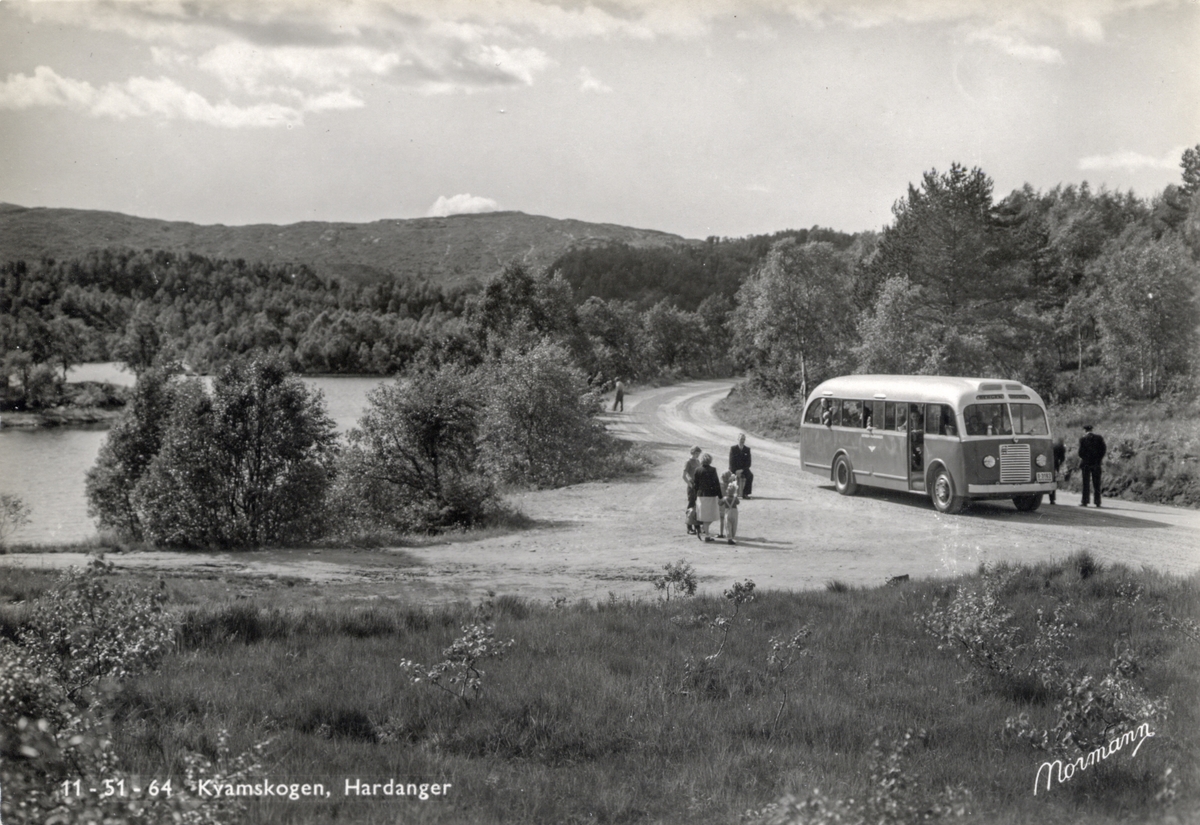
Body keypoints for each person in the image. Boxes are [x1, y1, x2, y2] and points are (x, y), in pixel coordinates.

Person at [693, 453, 723, 542]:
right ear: (710, 460)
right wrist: (720, 496)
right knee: (713, 515)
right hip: (711, 495)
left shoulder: (697, 470)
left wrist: (695, 497)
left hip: (701, 495)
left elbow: (696, 485)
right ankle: (706, 534)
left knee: (705, 516)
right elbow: (716, 483)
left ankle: (704, 531)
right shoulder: (713, 470)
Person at [1078, 424, 1107, 507]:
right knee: (1097, 483)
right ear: (1092, 430)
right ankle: (1097, 502)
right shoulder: (1099, 438)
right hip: (1096, 464)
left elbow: (1080, 453)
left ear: (1085, 430)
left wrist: (1085, 458)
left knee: (1086, 483)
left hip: (1086, 464)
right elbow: (1103, 450)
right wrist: (1099, 459)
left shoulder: (1083, 439)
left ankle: (1085, 501)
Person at [683, 446, 702, 533]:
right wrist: (690, 485)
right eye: (696, 453)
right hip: (692, 486)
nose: (698, 455)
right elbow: (684, 476)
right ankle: (689, 527)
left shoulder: (698, 461)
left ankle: (697, 526)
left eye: (698, 453)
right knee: (691, 505)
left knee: (697, 505)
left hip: (698, 485)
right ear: (693, 452)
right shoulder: (688, 462)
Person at [729, 433, 754, 498]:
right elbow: (731, 462)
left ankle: (745, 493)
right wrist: (735, 471)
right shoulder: (733, 448)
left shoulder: (747, 449)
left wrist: (742, 470)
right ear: (738, 439)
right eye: (741, 439)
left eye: (743, 439)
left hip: (743, 469)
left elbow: (749, 463)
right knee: (731, 476)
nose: (742, 440)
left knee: (750, 475)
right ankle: (731, 493)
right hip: (734, 469)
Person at [720, 473, 739, 545]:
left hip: (727, 512)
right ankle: (733, 536)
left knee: (727, 525)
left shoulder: (725, 498)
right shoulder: (735, 498)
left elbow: (720, 503)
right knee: (734, 525)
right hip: (735, 512)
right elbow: (738, 502)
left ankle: (729, 538)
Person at [1050, 437, 1066, 504]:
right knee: (1054, 480)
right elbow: (1062, 458)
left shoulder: (1052, 445)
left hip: (1048, 463)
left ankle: (1051, 497)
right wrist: (1061, 463)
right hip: (1056, 464)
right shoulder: (1061, 447)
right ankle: (1052, 499)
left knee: (1051, 480)